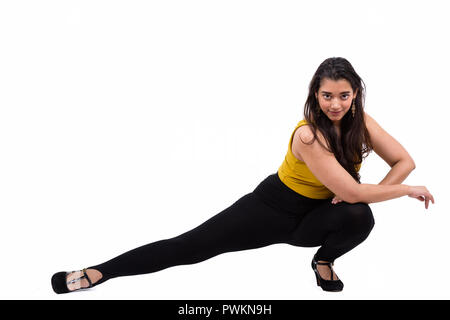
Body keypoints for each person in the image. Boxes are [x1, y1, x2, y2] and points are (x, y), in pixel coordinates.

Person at [51, 57, 434, 294]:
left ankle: (322, 261)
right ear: (315, 95)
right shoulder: (308, 134)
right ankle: (100, 272)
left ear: (356, 95)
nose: (335, 104)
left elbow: (403, 161)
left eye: (344, 95)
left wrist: (373, 191)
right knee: (189, 247)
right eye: (327, 96)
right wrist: (398, 191)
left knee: (359, 216)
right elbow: (355, 188)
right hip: (272, 208)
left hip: (318, 216)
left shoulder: (361, 122)